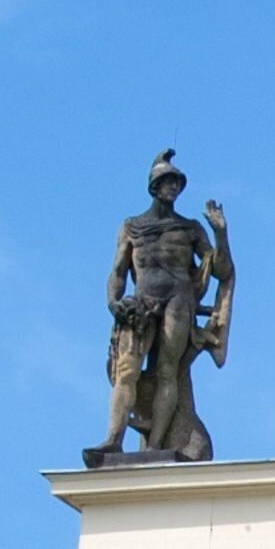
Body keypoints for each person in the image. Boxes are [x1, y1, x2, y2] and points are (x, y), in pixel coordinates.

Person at [90, 148, 232, 464]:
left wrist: (220, 233)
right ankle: (114, 440)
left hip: (178, 303)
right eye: (167, 182)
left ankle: (155, 447)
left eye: (176, 183)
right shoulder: (132, 226)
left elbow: (221, 270)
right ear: (154, 186)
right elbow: (117, 271)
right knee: (126, 370)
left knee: (168, 371)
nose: (173, 188)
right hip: (141, 304)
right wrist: (113, 302)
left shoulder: (190, 228)